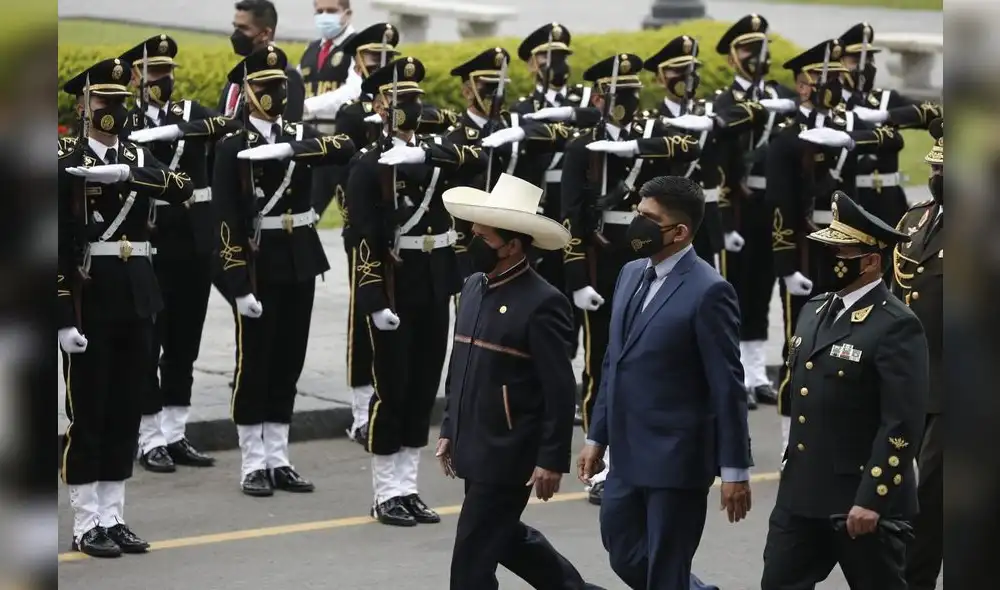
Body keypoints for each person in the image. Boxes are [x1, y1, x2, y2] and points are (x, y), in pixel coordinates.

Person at [577, 175, 753, 589]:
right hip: (626, 455)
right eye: (638, 213)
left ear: (679, 232)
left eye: (647, 218)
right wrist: (596, 435)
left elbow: (727, 386)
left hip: (678, 460)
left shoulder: (710, 291)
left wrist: (734, 470)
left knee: (666, 570)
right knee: (623, 552)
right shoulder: (630, 274)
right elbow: (613, 362)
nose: (636, 224)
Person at [437, 173, 605, 590]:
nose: (472, 240)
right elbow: (460, 365)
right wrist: (448, 427)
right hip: (473, 442)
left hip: (508, 452)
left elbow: (559, 388)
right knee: (506, 537)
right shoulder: (474, 286)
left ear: (512, 245)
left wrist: (551, 458)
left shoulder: (543, 301)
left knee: (471, 563)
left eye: (483, 235)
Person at [59, 57, 195, 556]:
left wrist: (130, 176)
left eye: (119, 101)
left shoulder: (137, 158)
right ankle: (86, 518)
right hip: (88, 296)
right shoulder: (62, 158)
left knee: (124, 409)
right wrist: (60, 315)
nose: (112, 110)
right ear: (83, 104)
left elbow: (180, 189)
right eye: (102, 101)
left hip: (138, 294)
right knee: (89, 411)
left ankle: (114, 514)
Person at [760, 191, 928, 590]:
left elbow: (901, 423)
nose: (827, 259)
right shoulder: (814, 309)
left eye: (839, 252)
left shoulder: (895, 325)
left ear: (870, 262)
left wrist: (873, 497)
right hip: (802, 496)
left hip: (859, 501)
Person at [212, 45, 357, 496]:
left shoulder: (297, 134)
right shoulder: (233, 145)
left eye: (279, 86)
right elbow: (225, 219)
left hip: (300, 258)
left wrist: (292, 147)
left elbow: (345, 146)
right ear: (247, 92)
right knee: (254, 363)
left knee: (289, 360)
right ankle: (252, 461)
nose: (274, 93)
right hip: (259, 263)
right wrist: (237, 283)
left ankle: (278, 455)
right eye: (265, 86)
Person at [344, 56, 481, 526]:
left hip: (435, 279)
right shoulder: (369, 165)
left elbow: (476, 156)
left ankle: (409, 486)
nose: (410, 107)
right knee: (392, 387)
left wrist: (425, 155)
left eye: (415, 99)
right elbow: (361, 238)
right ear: (381, 106)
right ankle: (386, 491)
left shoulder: (435, 152)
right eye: (401, 100)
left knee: (423, 386)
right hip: (396, 284)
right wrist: (374, 299)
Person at [560, 53, 701, 505]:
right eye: (617, 91)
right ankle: (598, 457)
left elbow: (689, 147)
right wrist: (577, 276)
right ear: (598, 96)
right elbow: (571, 218)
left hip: (647, 255)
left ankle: (632, 452)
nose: (627, 98)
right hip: (603, 260)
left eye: (632, 90)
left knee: (647, 360)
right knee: (602, 360)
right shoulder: (583, 146)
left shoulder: (652, 136)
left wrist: (636, 151)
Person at [767, 38, 903, 457]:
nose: (835, 88)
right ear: (803, 87)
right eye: (824, 80)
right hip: (812, 248)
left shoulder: (850, 128)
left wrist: (849, 138)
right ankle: (793, 439)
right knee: (801, 345)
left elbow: (892, 140)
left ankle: (845, 428)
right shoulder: (789, 138)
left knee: (857, 338)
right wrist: (786, 262)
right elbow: (782, 208)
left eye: (838, 80)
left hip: (853, 248)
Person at [119, 34, 238, 473]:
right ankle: (149, 436)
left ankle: (175, 431)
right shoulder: (124, 122)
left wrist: (173, 130)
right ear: (135, 77)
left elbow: (228, 125)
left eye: (168, 72)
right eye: (154, 73)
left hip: (194, 245)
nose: (163, 80)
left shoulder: (188, 114)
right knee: (148, 345)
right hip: (149, 248)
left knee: (184, 344)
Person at [893, 118, 943, 590]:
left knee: (930, 493)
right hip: (915, 379)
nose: (938, 177)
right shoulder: (914, 219)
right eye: (936, 168)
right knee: (902, 491)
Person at [835, 22, 944, 229]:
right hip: (852, 196)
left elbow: (933, 114)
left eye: (869, 58)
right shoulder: (832, 104)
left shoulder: (885, 99)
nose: (864, 66)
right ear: (839, 63)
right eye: (855, 59)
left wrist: (887, 114)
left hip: (888, 197)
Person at [297, 0, 359, 221]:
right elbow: (296, 89)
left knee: (355, 221)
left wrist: (308, 106)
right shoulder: (311, 50)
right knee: (304, 216)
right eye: (319, 11)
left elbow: (353, 91)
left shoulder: (357, 47)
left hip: (343, 143)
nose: (324, 16)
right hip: (312, 143)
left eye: (331, 11)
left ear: (347, 14)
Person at [219, 0, 305, 123]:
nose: (236, 35)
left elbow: (288, 132)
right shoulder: (238, 75)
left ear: (265, 33)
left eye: (243, 28)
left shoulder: (286, 77)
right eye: (236, 27)